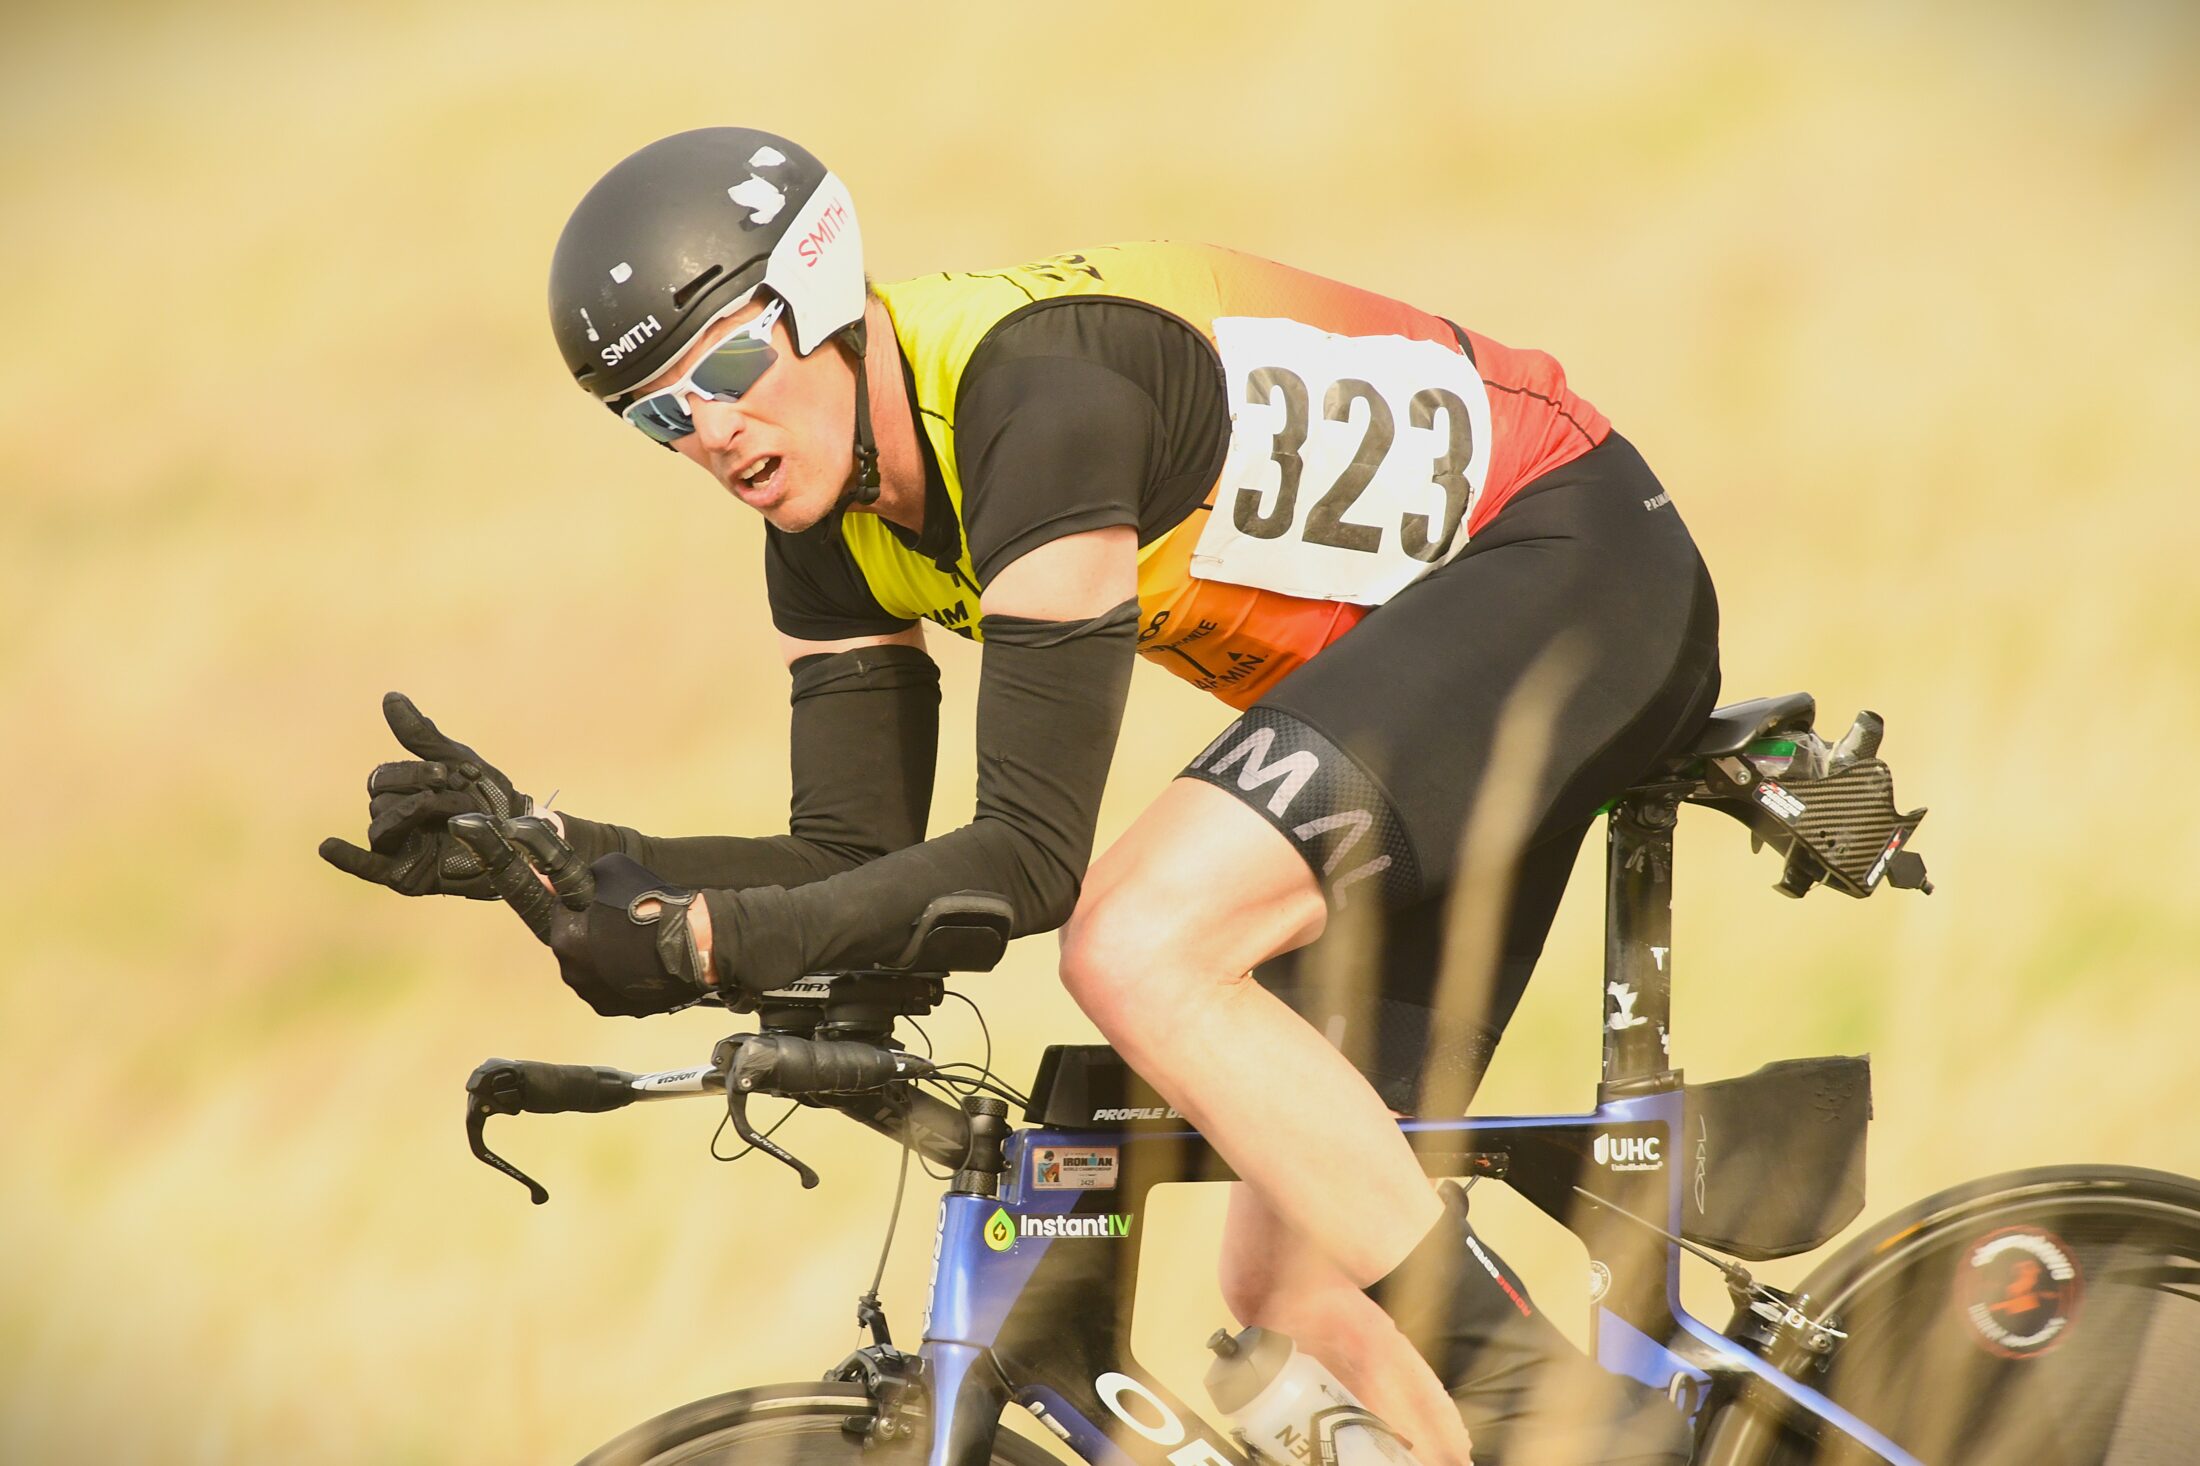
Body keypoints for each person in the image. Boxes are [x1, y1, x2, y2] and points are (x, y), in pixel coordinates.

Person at [321, 128, 1717, 1465]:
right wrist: (570, 854)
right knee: (1294, 1281)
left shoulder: (1033, 402)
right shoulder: (824, 524)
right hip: (1425, 677)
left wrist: (701, 944)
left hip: (1572, 565)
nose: (716, 431)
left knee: (1137, 943)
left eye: (733, 364)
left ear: (820, 290)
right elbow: (847, 851)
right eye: (659, 415)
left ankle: (1558, 1408)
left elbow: (1032, 860)